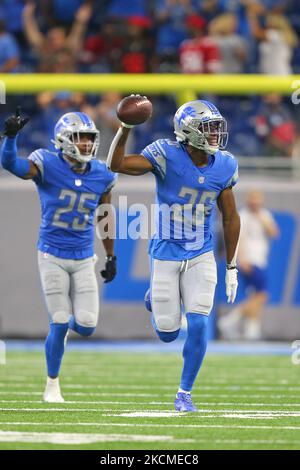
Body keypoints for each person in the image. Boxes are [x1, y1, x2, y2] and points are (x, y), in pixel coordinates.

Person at [107, 98, 240, 412]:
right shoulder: (165, 153)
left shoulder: (224, 164)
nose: (214, 136)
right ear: (189, 131)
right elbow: (117, 164)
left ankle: (185, 393)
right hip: (166, 251)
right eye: (208, 129)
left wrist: (231, 265)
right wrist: (125, 128)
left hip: (201, 252)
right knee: (167, 333)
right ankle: (154, 295)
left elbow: (230, 216)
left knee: (198, 324)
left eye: (216, 128)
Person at [0, 108, 117, 403]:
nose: (88, 145)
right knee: (60, 319)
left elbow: (105, 215)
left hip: (82, 256)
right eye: (81, 139)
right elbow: (11, 163)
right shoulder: (47, 164)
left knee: (88, 325)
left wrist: (111, 255)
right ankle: (52, 383)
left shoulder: (102, 174)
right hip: (51, 254)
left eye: (90, 139)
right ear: (64, 140)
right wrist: (10, 137)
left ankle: (61, 330)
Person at [219, 189, 279, 340]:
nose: (255, 202)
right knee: (261, 295)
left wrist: (261, 218)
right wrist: (241, 258)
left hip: (260, 259)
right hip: (250, 260)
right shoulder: (243, 215)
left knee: (255, 295)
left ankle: (251, 329)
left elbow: (274, 233)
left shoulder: (264, 215)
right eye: (253, 199)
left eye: (258, 199)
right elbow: (238, 238)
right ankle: (229, 321)